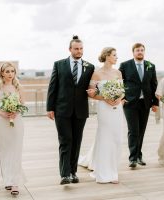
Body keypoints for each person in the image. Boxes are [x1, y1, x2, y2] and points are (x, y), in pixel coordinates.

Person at [46, 35, 95, 185]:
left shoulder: (90, 67)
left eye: (81, 49)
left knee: (76, 141)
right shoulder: (59, 65)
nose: (79, 51)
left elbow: (92, 87)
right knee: (65, 141)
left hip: (80, 111)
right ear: (70, 49)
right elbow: (53, 87)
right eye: (76, 48)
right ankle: (64, 174)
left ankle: (73, 172)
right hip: (62, 110)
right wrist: (50, 107)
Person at [79, 47, 124, 184]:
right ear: (107, 56)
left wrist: (119, 98)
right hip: (104, 108)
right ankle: (105, 173)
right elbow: (91, 92)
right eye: (114, 55)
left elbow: (122, 91)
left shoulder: (118, 73)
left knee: (117, 139)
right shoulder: (96, 74)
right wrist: (105, 98)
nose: (116, 57)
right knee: (105, 138)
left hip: (117, 108)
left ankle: (113, 169)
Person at [119, 43, 159, 168]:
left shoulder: (150, 66)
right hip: (130, 103)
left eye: (142, 50)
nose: (140, 52)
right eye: (137, 50)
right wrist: (121, 97)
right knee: (133, 130)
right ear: (133, 52)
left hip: (145, 103)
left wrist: (155, 103)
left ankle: (139, 156)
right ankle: (132, 158)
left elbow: (154, 85)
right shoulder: (125, 65)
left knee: (141, 130)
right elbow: (120, 83)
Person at [0, 62, 26, 195]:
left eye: (12, 71)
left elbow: (23, 104)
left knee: (16, 151)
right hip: (1, 123)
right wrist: (3, 113)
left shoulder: (19, 87)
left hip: (17, 123)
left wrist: (16, 112)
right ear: (2, 73)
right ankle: (8, 180)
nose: (10, 74)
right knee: (4, 152)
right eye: (7, 71)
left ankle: (15, 183)